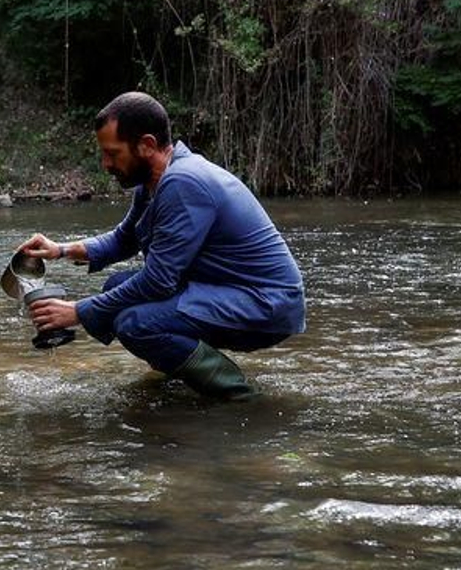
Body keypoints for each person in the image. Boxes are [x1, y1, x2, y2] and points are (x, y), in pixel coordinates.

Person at [18, 91, 305, 400]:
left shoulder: (183, 183)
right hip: (231, 291)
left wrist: (78, 311)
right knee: (118, 286)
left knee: (135, 323)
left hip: (266, 304)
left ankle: (239, 396)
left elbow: (158, 281)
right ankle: (178, 372)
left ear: (147, 145)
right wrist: (59, 249)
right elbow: (124, 239)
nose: (105, 164)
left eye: (113, 153)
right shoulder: (155, 182)